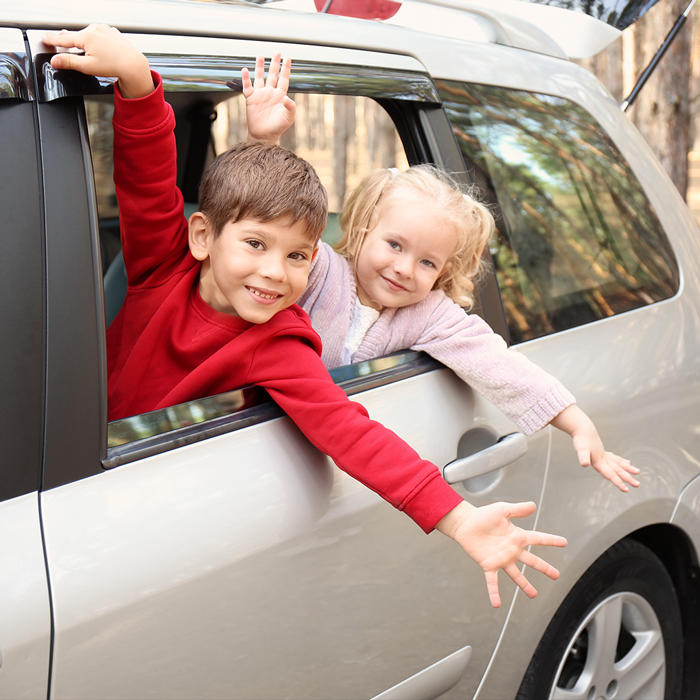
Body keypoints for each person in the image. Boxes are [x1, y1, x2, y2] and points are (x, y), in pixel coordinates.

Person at [43, 25, 567, 610]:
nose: (274, 272)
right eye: (255, 245)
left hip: (133, 506)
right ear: (201, 237)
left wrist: (457, 517)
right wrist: (137, 83)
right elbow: (147, 182)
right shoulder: (160, 267)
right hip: (64, 461)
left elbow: (349, 432)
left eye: (297, 256)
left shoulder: (281, 344)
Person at [241, 56, 641, 494]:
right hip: (272, 443)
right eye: (394, 245)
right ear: (360, 230)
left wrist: (576, 422)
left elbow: (498, 365)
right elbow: (275, 221)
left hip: (347, 467)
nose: (404, 269)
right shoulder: (318, 269)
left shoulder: (430, 314)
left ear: (443, 271)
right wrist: (267, 140)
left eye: (427, 263)